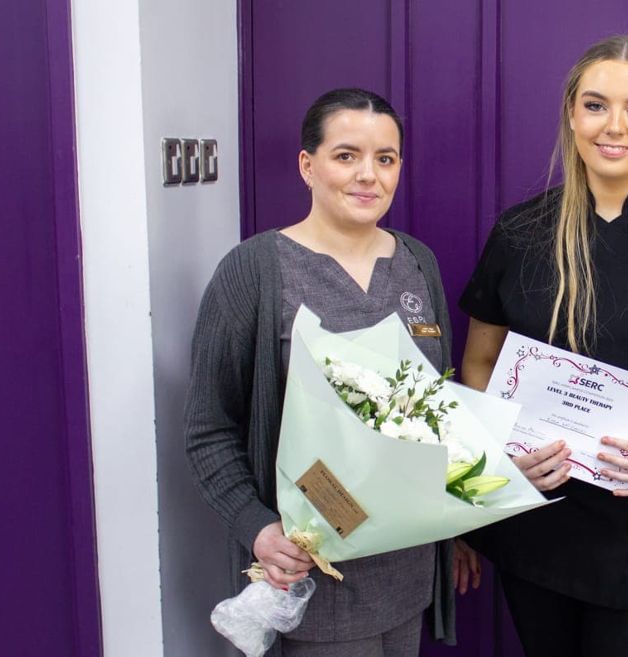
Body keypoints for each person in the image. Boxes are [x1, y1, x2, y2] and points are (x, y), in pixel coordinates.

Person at [454, 35, 628, 657]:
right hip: (536, 517)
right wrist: (501, 452)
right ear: (571, 114)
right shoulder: (520, 232)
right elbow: (478, 361)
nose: (616, 126)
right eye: (596, 105)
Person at [185, 88, 454, 657]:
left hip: (407, 574)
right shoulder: (255, 271)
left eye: (385, 159)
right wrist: (255, 527)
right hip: (311, 579)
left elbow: (439, 414)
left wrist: (492, 476)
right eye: (346, 155)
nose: (368, 176)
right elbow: (208, 430)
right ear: (308, 165)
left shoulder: (416, 262)